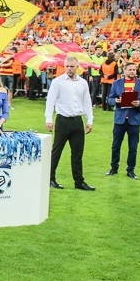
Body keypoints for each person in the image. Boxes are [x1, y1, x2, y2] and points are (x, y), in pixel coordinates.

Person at [45, 55, 95, 191]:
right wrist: (48, 119)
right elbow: (51, 100)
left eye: (72, 66)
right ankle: (50, 178)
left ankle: (79, 182)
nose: (69, 69)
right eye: (67, 66)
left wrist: (89, 120)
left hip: (77, 121)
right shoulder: (57, 82)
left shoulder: (83, 83)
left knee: (77, 154)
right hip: (63, 121)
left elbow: (87, 101)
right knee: (56, 152)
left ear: (77, 67)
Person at [105, 61, 140, 179]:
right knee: (115, 146)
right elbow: (110, 99)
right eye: (130, 70)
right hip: (120, 119)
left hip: (134, 120)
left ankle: (130, 170)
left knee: (133, 147)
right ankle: (114, 168)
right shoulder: (116, 83)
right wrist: (116, 101)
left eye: (134, 70)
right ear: (124, 71)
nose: (132, 72)